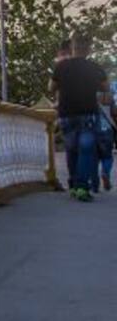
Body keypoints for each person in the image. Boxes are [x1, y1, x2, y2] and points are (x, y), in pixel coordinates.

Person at [49, 34, 108, 201]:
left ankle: (74, 185)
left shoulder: (62, 67)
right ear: (89, 48)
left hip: (67, 113)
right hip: (88, 113)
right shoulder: (95, 67)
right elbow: (106, 87)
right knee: (86, 151)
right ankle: (81, 186)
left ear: (72, 48)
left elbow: (51, 88)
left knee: (72, 150)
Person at [97, 76, 115, 192]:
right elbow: (114, 112)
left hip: (92, 128)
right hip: (107, 128)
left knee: (93, 156)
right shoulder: (110, 96)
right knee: (107, 155)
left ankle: (93, 180)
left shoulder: (91, 95)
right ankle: (105, 173)